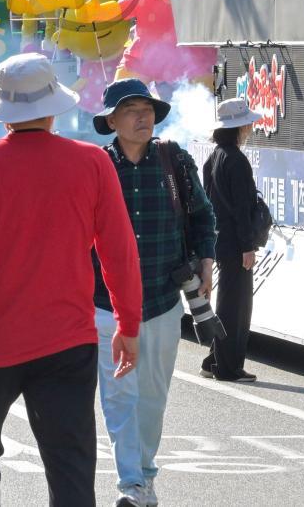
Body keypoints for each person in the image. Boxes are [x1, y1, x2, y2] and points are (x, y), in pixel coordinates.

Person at [0, 53, 142, 507]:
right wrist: (128, 324)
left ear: (3, 112)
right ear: (53, 108)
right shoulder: (92, 163)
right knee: (69, 463)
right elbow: (119, 252)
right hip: (67, 339)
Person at [92, 78, 216, 507]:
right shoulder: (96, 166)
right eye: (131, 110)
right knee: (118, 396)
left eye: (147, 108)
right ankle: (130, 484)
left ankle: (143, 474)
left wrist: (206, 261)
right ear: (111, 121)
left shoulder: (173, 158)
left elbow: (202, 215)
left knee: (152, 397)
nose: (143, 116)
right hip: (105, 303)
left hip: (163, 299)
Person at [202, 98, 263, 384]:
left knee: (227, 301)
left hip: (219, 239)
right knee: (235, 307)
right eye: (247, 121)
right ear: (238, 126)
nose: (251, 126)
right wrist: (247, 245)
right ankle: (227, 367)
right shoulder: (236, 160)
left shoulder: (213, 157)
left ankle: (214, 359)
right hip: (236, 243)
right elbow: (241, 208)